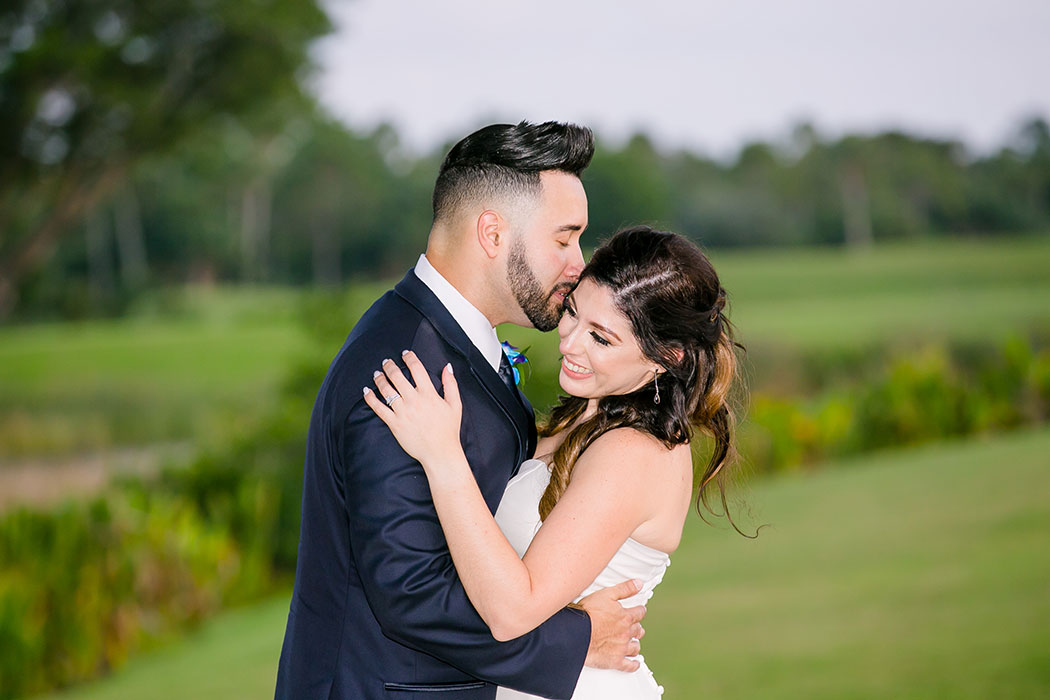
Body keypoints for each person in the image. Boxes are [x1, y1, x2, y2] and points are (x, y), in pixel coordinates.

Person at [274, 122, 647, 700]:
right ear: (493, 234)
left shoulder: (445, 339)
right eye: (564, 238)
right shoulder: (403, 367)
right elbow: (411, 591)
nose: (579, 264)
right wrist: (575, 640)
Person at [364, 225, 742, 699]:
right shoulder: (587, 418)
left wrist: (443, 457)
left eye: (601, 339)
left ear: (665, 357)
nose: (569, 343)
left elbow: (512, 610)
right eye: (572, 313)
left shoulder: (635, 452)